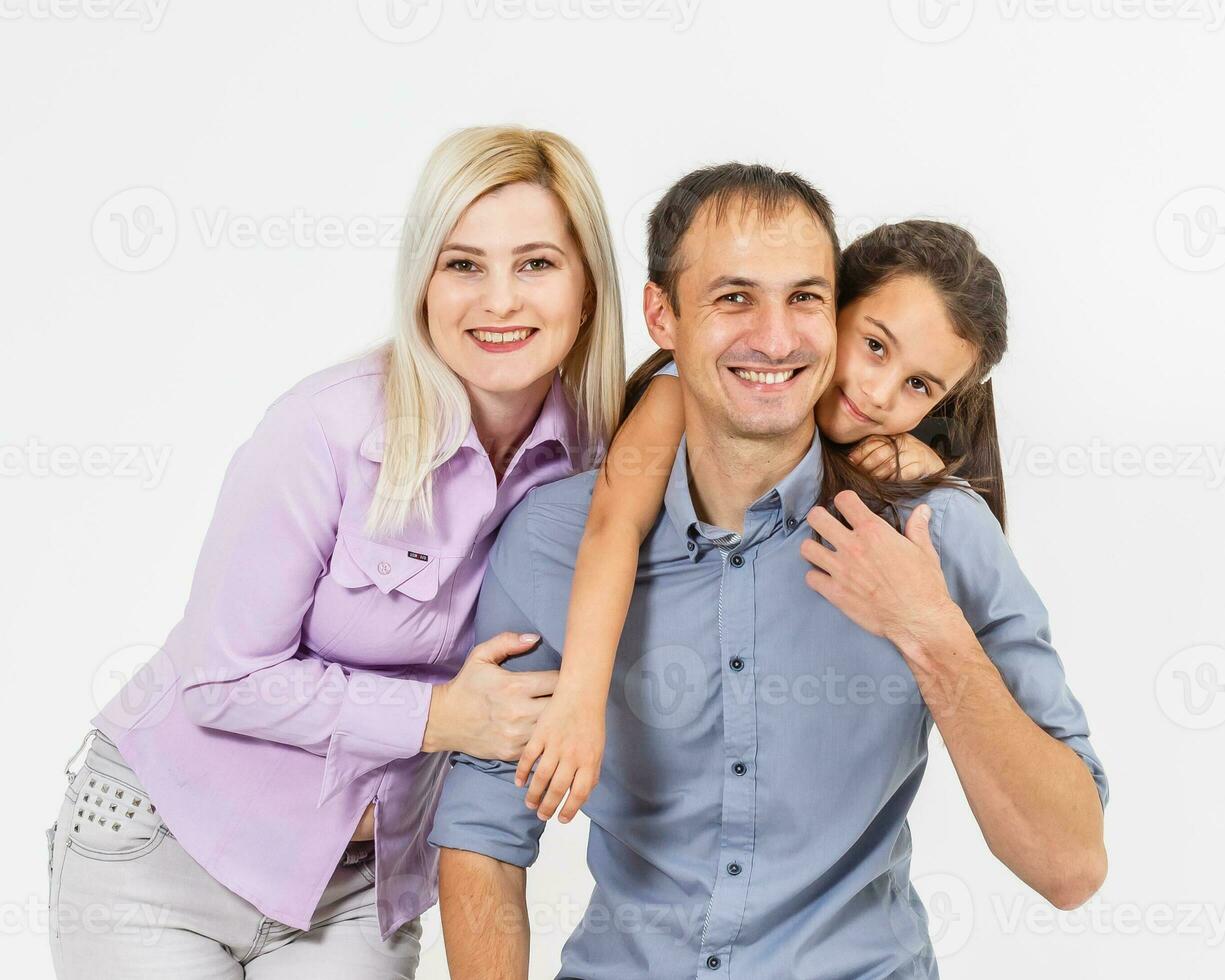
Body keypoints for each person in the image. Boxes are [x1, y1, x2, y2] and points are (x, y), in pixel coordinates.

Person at [429, 163, 1108, 979]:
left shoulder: (936, 533)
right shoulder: (551, 538)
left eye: (803, 299)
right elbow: (484, 833)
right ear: (662, 315)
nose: (778, 338)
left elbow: (1070, 868)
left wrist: (928, 629)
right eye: (734, 297)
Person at [45, 124, 625, 978]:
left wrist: (891, 453)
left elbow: (735, 435)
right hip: (162, 846)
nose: (499, 299)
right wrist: (438, 717)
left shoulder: (604, 462)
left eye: (536, 263)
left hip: (354, 881)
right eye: (463, 264)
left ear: (588, 289)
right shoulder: (327, 427)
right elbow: (221, 678)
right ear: (423, 282)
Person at [513, 217, 1009, 824]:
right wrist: (579, 702)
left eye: (918, 385)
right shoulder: (680, 396)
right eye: (874, 346)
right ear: (826, 308)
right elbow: (612, 527)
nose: (879, 394)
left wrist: (924, 454)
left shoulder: (911, 480)